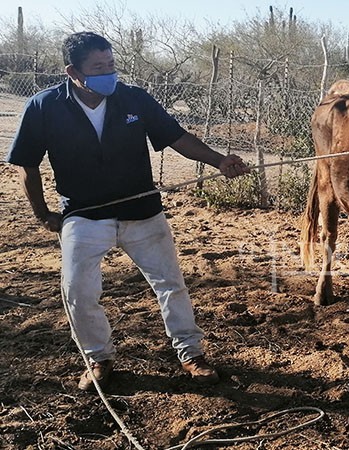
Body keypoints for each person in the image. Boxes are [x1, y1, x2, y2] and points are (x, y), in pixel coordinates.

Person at [6, 32, 250, 391]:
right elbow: (26, 165)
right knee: (78, 291)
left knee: (171, 285)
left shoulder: (134, 99)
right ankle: (98, 357)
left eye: (112, 65)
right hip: (83, 216)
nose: (109, 73)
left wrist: (218, 161)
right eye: (99, 67)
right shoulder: (44, 107)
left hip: (142, 211)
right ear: (73, 71)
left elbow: (176, 137)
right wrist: (43, 214)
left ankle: (190, 353)